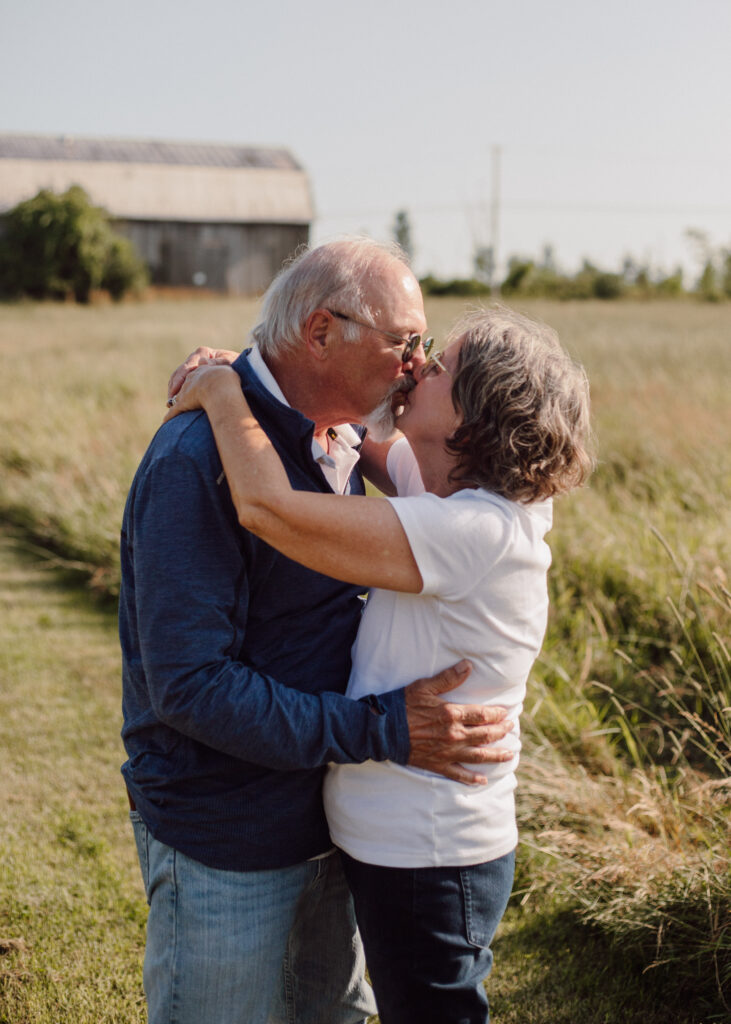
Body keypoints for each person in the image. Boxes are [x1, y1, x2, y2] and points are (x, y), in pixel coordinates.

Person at [120, 238, 516, 1024]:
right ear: (322, 333)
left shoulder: (335, 432)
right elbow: (191, 687)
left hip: (331, 822)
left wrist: (228, 374)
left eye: (424, 350)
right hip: (227, 836)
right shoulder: (197, 462)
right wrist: (382, 730)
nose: (415, 365)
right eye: (407, 342)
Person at [165, 303, 594, 1024]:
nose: (418, 364)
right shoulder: (446, 487)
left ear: (472, 419)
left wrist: (219, 391)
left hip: (431, 852)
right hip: (401, 842)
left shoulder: (473, 530)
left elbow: (268, 506)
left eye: (440, 366)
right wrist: (268, 374)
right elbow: (339, 429)